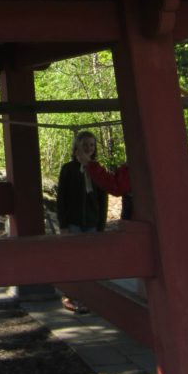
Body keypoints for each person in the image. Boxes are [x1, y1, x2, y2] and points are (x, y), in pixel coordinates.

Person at [55, 131, 110, 314]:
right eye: (85, 144)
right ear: (77, 147)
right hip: (73, 222)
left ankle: (88, 297)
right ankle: (70, 296)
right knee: (73, 261)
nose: (88, 148)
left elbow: (103, 201)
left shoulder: (97, 170)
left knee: (90, 262)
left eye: (91, 145)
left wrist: (101, 225)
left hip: (92, 222)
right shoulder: (68, 169)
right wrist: (63, 225)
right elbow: (61, 199)